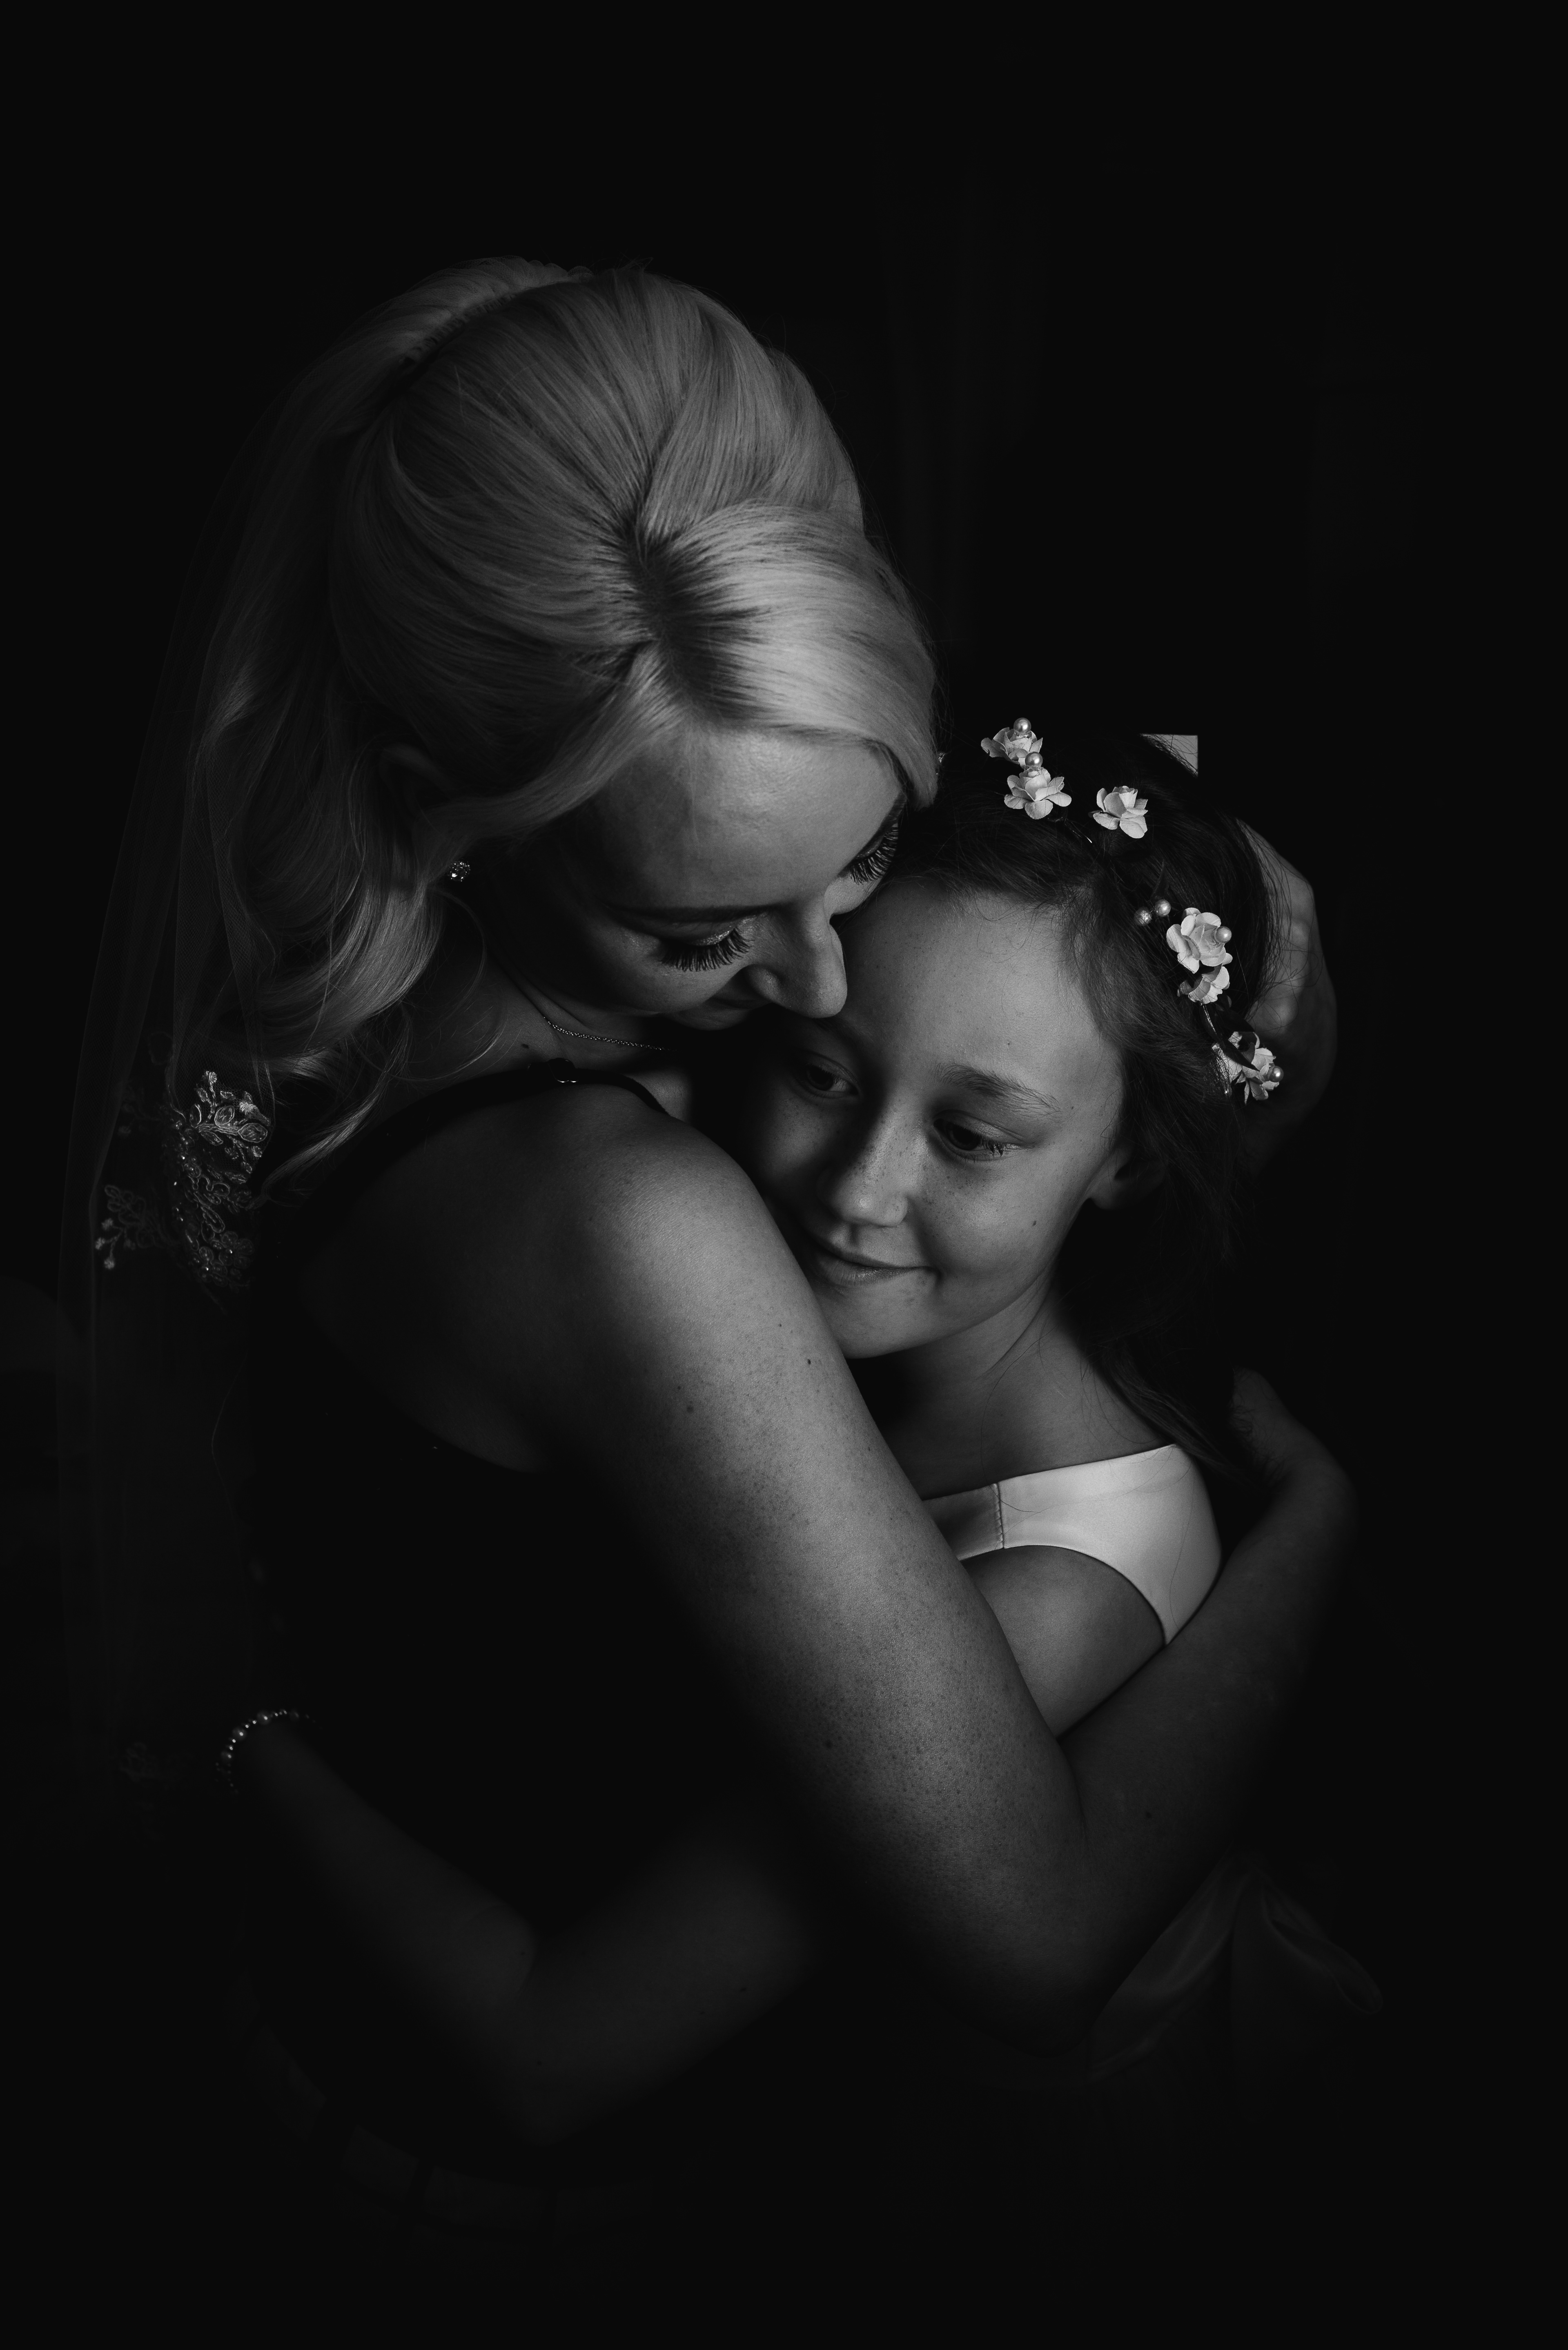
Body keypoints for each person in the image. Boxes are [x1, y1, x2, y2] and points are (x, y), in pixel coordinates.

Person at [60, 258, 1352, 2273]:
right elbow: (1029, 1941)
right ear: (453, 817)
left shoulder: (386, 996)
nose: (813, 983)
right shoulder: (625, 1223)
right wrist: (1317, 1541)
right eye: (708, 935)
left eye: (863, 857)